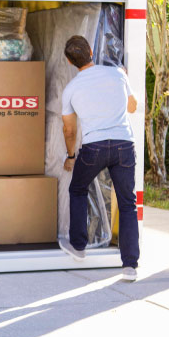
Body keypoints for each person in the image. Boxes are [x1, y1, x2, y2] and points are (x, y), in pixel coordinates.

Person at [58, 35, 139, 281]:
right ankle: (130, 266)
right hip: (124, 145)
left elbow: (69, 130)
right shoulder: (117, 74)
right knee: (127, 203)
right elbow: (133, 107)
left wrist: (71, 156)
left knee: (78, 189)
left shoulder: (71, 89)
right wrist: (121, 81)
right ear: (92, 51)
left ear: (70, 62)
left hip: (94, 149)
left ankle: (79, 247)